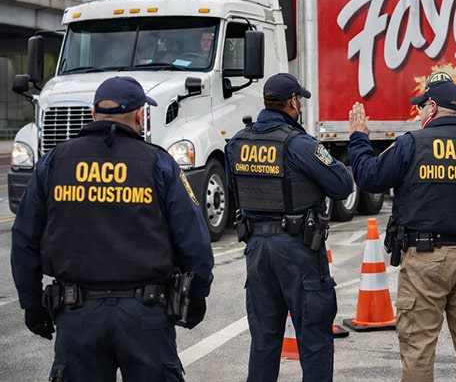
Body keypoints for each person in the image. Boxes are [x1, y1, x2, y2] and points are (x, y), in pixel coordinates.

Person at [11, 76, 214, 381]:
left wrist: (31, 303)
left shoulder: (54, 162)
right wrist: (197, 296)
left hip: (77, 317)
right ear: (139, 116)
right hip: (146, 317)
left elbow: (25, 237)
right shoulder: (159, 164)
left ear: (93, 113)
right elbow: (194, 240)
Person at [347, 71, 456, 382]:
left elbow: (369, 177)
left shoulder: (412, 144)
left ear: (432, 107)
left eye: (419, 107)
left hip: (425, 259)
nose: (418, 113)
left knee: (418, 349)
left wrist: (359, 136)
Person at [225, 72, 353, 382]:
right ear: (293, 102)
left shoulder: (237, 143)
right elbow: (342, 184)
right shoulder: (298, 144)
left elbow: (235, 190)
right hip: (298, 251)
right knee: (314, 339)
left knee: (265, 341)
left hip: (257, 251)